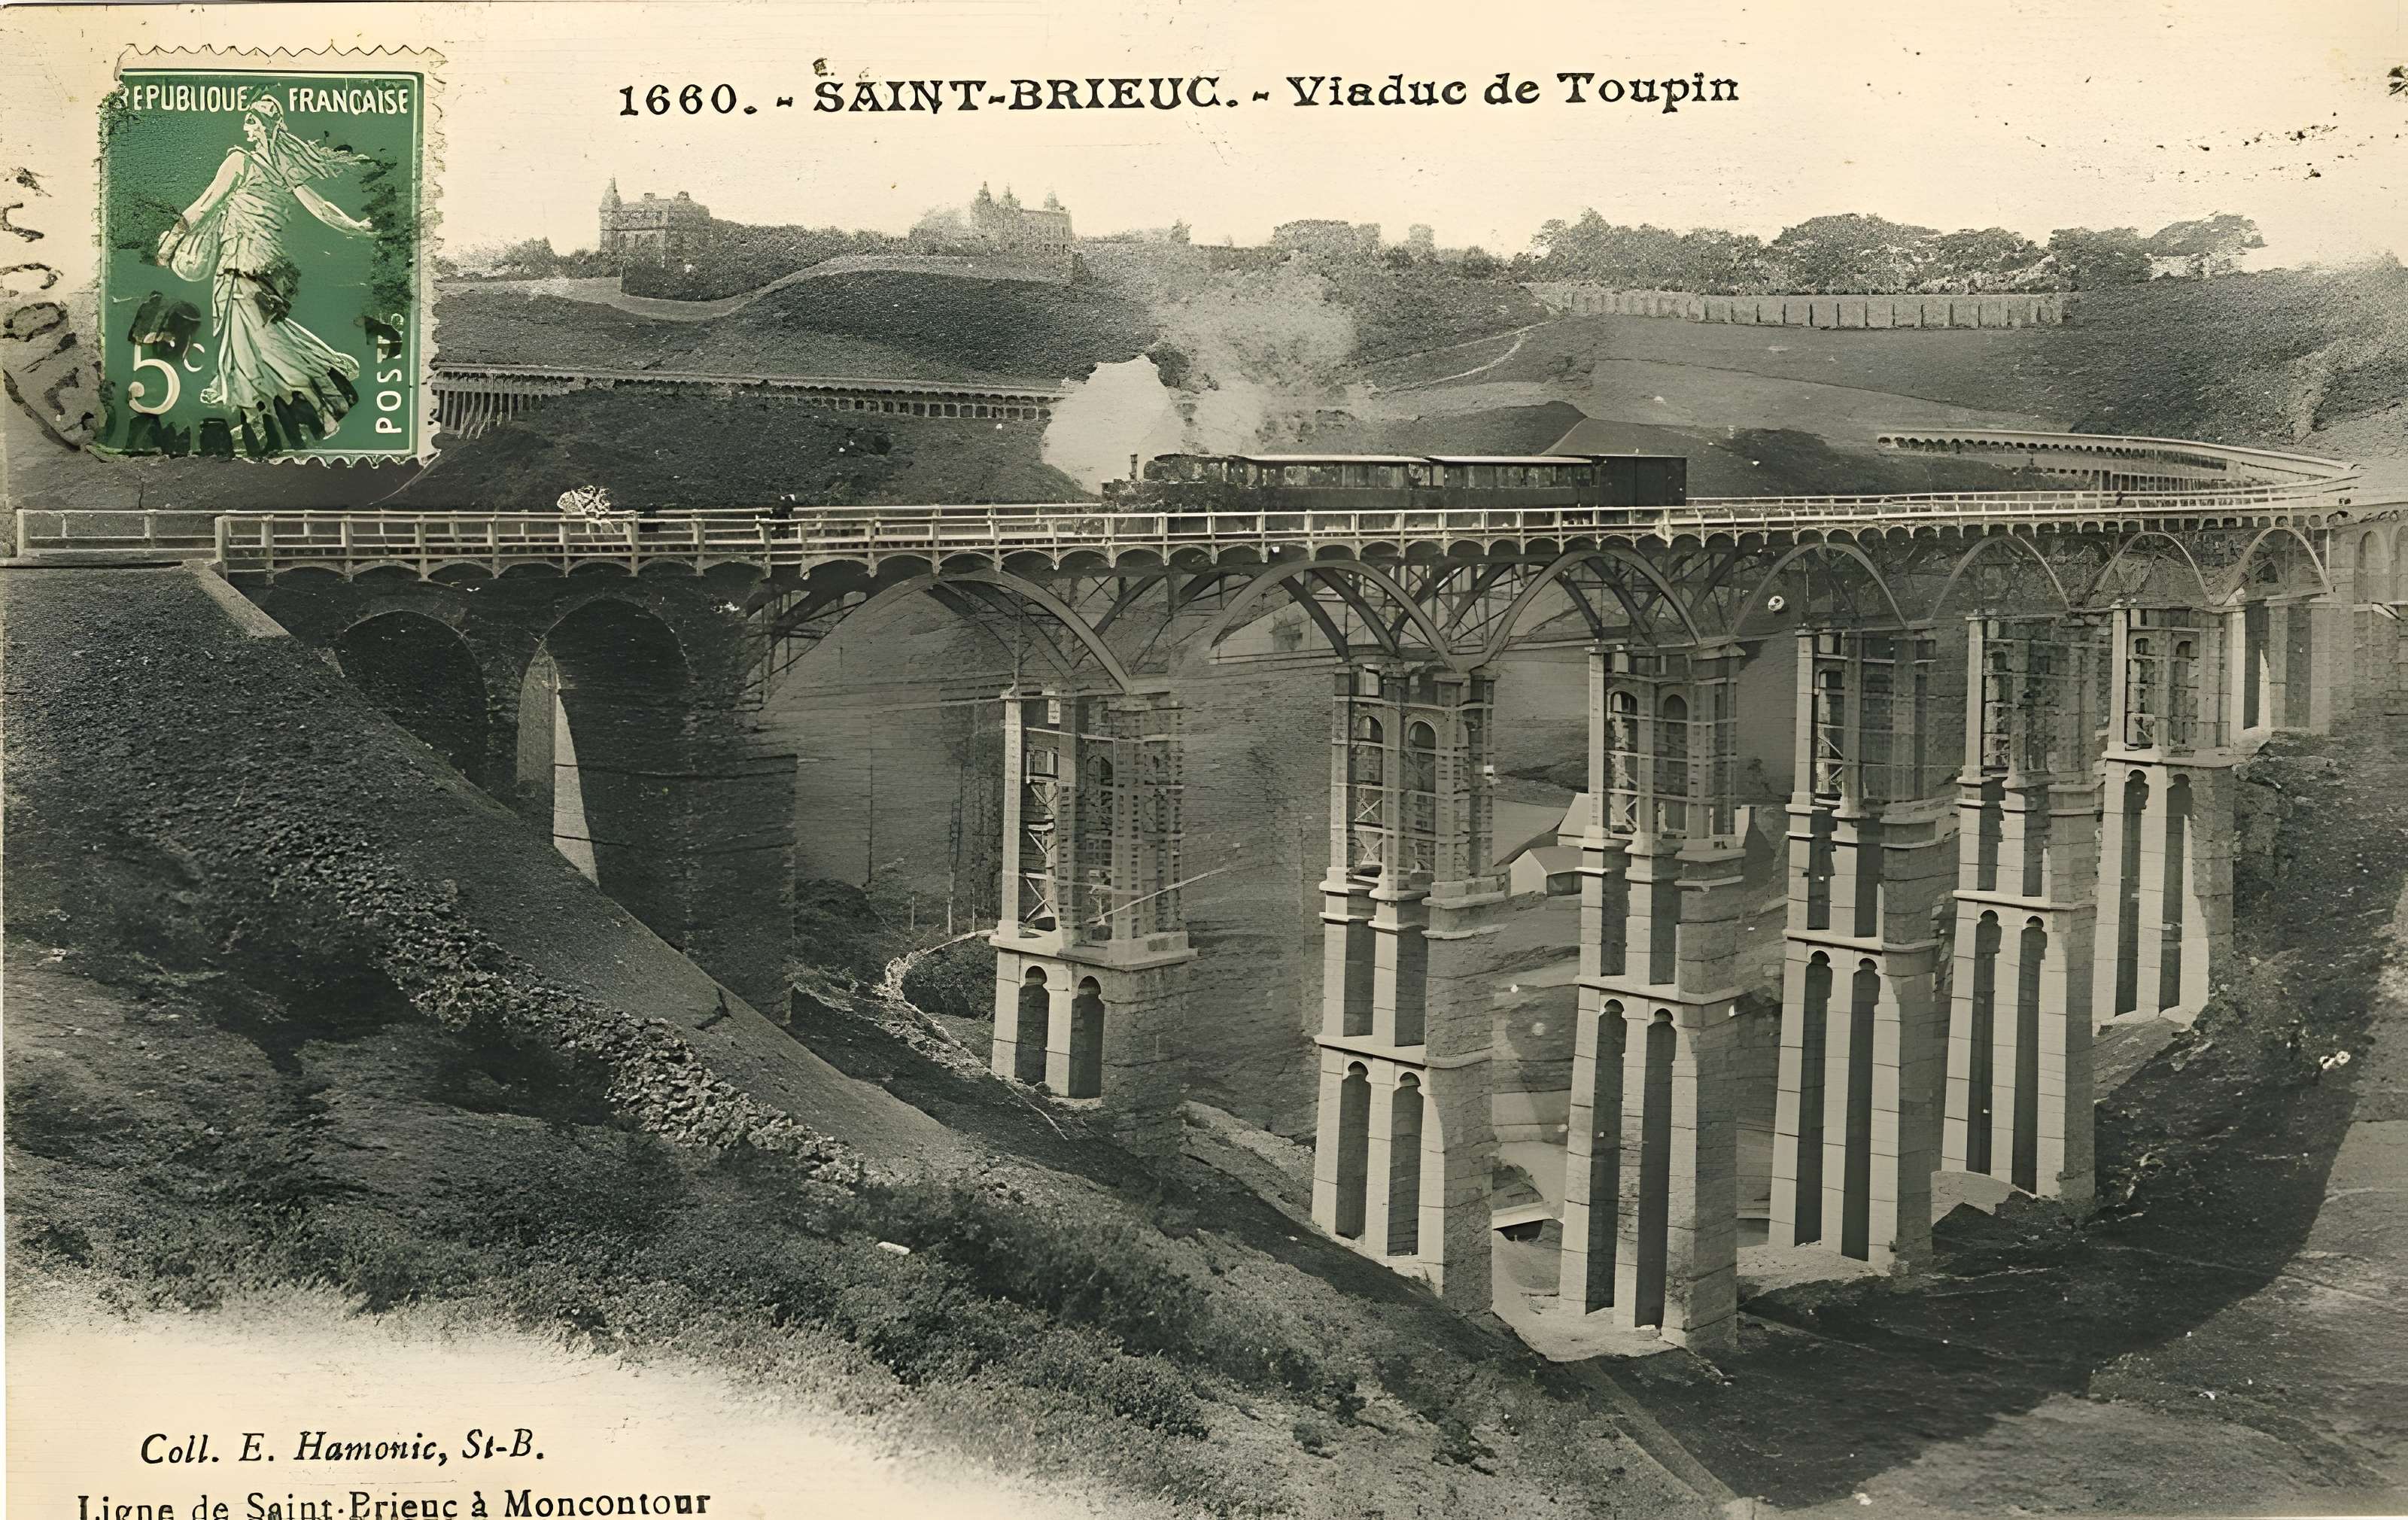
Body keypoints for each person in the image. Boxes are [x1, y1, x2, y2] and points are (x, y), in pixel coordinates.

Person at [153, 97, 375, 427]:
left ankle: (309, 409)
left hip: (239, 260)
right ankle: (321, 370)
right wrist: (355, 228)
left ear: (264, 126)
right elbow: (323, 209)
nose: (246, 128)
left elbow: (203, 207)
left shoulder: (239, 161)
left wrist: (169, 243)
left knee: (250, 336)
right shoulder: (286, 172)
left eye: (252, 121)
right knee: (259, 331)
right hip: (267, 265)